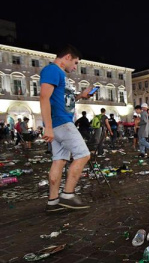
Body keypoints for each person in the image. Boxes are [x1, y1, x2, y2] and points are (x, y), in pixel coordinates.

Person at [40, 45, 92, 211]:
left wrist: (80, 96)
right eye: (75, 63)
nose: (75, 67)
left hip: (59, 122)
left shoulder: (58, 74)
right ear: (67, 57)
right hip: (61, 122)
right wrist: (48, 127)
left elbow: (63, 99)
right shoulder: (52, 70)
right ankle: (68, 195)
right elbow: (44, 98)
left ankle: (53, 201)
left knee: (59, 161)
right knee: (83, 155)